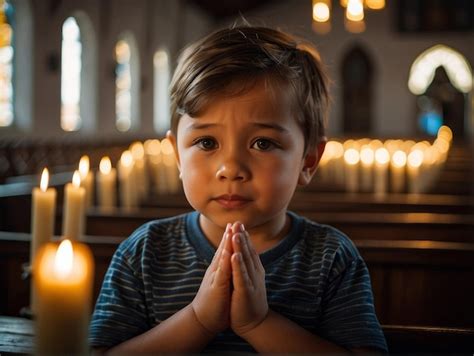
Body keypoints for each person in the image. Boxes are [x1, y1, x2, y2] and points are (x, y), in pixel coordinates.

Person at [89, 25, 388, 354]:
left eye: (262, 143)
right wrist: (198, 320)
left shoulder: (331, 258)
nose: (230, 168)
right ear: (177, 154)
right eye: (206, 142)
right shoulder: (144, 253)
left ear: (308, 160)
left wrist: (258, 324)